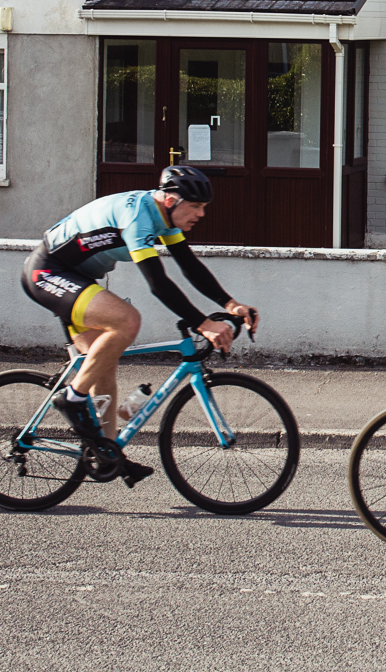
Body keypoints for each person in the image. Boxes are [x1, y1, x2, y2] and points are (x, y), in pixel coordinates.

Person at [20, 164, 258, 484]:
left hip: (78, 277)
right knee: (128, 321)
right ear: (172, 201)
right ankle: (72, 398)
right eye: (197, 207)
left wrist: (230, 305)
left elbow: (188, 266)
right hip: (48, 272)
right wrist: (203, 323)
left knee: (102, 365)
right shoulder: (138, 218)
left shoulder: (160, 215)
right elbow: (158, 283)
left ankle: (106, 452)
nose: (201, 214)